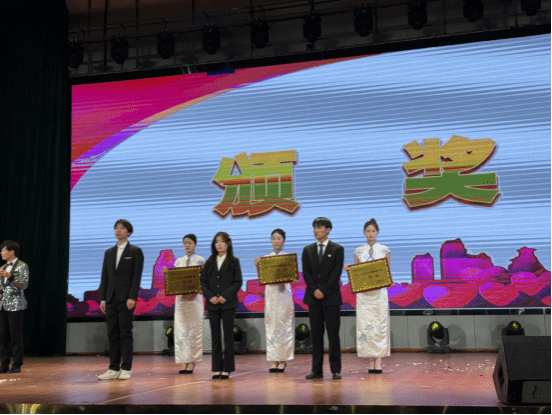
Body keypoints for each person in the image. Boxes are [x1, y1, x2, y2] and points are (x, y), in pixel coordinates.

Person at [98, 219, 144, 381]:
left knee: (125, 332)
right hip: (110, 298)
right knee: (112, 333)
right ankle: (113, 368)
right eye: (116, 228)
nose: (118, 230)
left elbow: (136, 277)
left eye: (122, 228)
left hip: (126, 299)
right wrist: (103, 298)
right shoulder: (109, 252)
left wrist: (132, 297)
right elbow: (105, 277)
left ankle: (126, 368)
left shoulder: (135, 251)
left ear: (129, 232)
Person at [344, 218, 391, 374]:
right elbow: (357, 273)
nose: (371, 234)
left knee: (379, 326)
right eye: (368, 231)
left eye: (373, 231)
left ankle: (378, 361)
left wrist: (390, 281)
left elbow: (387, 272)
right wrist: (349, 270)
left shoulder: (384, 250)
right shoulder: (358, 251)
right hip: (364, 295)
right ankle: (370, 361)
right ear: (364, 233)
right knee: (366, 326)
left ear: (377, 232)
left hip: (379, 294)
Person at [302, 217, 344, 380]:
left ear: (328, 230)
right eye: (314, 227)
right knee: (316, 335)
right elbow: (306, 273)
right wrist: (315, 290)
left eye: (319, 227)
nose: (316, 231)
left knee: (333, 335)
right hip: (313, 298)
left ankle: (335, 369)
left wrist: (323, 290)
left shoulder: (337, 249)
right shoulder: (307, 250)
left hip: (331, 298)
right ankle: (316, 370)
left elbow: (336, 273)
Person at [200, 232, 243, 380]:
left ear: (228, 244)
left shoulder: (234, 261)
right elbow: (203, 282)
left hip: (228, 303)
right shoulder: (209, 261)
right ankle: (217, 368)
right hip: (212, 304)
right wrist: (210, 296)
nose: (219, 244)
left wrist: (225, 296)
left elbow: (238, 281)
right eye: (216, 242)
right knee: (215, 336)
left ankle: (227, 368)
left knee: (228, 336)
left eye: (222, 241)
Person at [253, 229, 295, 373]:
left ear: (284, 240)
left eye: (279, 238)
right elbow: (262, 279)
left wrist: (286, 279)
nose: (276, 241)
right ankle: (273, 359)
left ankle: (283, 359)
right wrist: (257, 265)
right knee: (271, 324)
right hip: (271, 293)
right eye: (273, 238)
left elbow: (294, 277)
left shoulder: (288, 258)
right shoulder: (266, 258)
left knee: (284, 324)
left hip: (283, 293)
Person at [163, 234, 205, 374]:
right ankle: (183, 361)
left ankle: (192, 361)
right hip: (181, 300)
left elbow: (205, 279)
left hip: (195, 299)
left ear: (195, 245)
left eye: (190, 243)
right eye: (185, 243)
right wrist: (167, 274)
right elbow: (174, 281)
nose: (187, 245)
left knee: (194, 330)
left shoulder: (200, 260)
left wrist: (201, 289)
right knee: (181, 330)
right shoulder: (178, 262)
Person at [0, 241, 29, 374]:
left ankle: (16, 365)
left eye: (3, 250)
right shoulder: (2, 267)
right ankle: (4, 364)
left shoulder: (22, 266)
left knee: (15, 336)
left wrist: (10, 277)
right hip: (3, 305)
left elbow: (24, 285)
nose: (1, 253)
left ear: (11, 252)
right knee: (3, 336)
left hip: (16, 305)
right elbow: (2, 286)